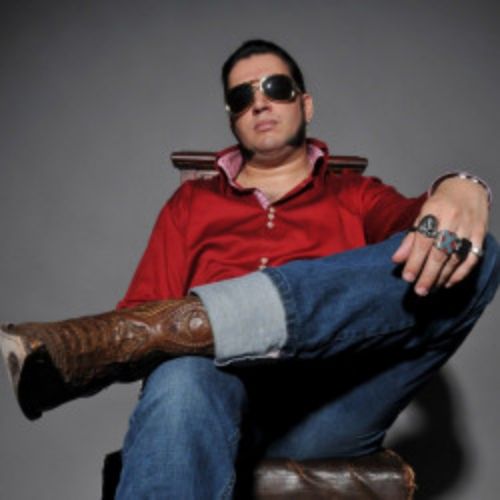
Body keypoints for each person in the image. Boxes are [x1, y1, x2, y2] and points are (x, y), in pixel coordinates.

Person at [0, 40, 498, 498]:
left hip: (327, 405)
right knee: (180, 375)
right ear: (233, 119)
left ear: (305, 104)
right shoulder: (192, 204)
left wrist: (461, 186)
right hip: (212, 395)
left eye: (276, 88)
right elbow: (142, 316)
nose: (259, 103)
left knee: (476, 253)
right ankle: (195, 336)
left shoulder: (356, 195)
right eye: (242, 97)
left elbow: (427, 227)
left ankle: (194, 323)